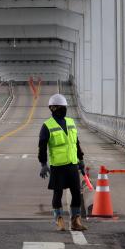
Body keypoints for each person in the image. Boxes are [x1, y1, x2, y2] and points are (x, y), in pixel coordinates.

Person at [38, 93, 87, 231]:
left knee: (76, 192)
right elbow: (42, 145)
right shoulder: (47, 125)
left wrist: (81, 159)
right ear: (52, 108)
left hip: (72, 164)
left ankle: (75, 221)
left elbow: (76, 143)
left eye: (64, 107)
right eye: (60, 107)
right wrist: (43, 164)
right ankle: (59, 219)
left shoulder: (71, 122)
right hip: (58, 166)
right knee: (57, 193)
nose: (63, 109)